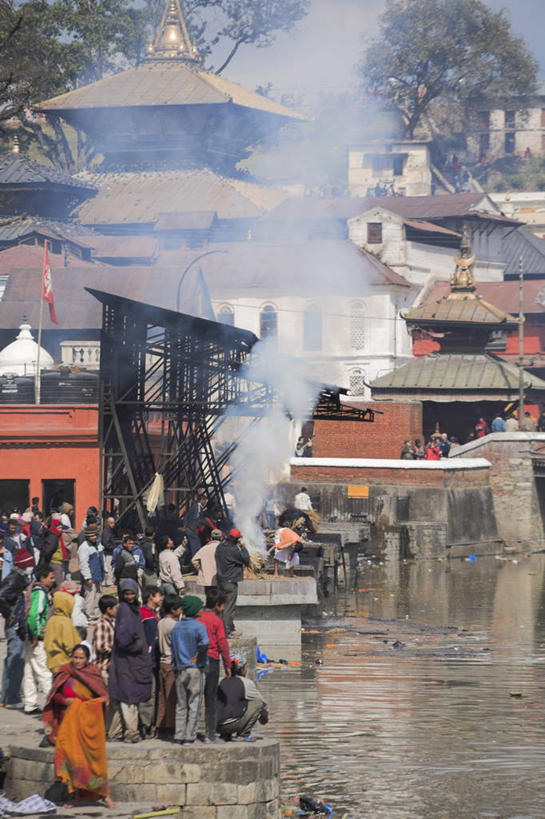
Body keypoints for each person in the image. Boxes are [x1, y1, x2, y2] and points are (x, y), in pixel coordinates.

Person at [42, 644, 115, 808]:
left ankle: (104, 795)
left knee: (95, 761)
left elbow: (103, 694)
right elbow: (54, 696)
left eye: (81, 658)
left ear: (87, 659)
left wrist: (102, 701)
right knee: (73, 761)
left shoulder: (93, 673)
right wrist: (65, 701)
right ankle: (75, 797)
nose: (77, 661)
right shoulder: (64, 672)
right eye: (75, 657)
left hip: (91, 725)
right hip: (69, 723)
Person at [108, 578, 152, 743]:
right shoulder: (126, 610)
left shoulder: (130, 609)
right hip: (127, 662)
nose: (130, 596)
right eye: (126, 593)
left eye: (132, 593)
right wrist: (139, 644)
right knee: (128, 699)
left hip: (127, 661)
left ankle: (115, 733)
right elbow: (124, 638)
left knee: (120, 697)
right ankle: (132, 733)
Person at [170, 594, 209, 745]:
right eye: (200, 607)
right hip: (195, 669)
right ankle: (189, 736)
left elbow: (172, 649)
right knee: (194, 704)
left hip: (179, 669)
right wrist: (199, 658)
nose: (202, 610)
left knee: (181, 704)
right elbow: (205, 644)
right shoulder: (199, 626)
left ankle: (178, 736)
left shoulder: (176, 627)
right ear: (194, 609)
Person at [197, 588, 231, 742]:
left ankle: (190, 733)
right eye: (223, 605)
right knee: (210, 697)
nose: (223, 609)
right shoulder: (216, 621)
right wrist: (228, 665)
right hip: (212, 660)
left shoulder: (197, 618)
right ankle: (210, 734)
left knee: (195, 698)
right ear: (217, 605)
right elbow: (222, 644)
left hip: (196, 661)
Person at [22, 564, 55, 715]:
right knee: (44, 672)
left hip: (29, 637)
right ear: (42, 578)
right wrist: (36, 635)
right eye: (51, 578)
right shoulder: (40, 593)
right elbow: (34, 616)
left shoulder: (33, 590)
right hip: (37, 638)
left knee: (29, 670)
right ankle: (53, 705)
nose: (53, 581)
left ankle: (30, 703)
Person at [216, 654, 268, 742]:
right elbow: (263, 703)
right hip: (230, 725)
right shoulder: (246, 683)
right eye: (246, 667)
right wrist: (264, 717)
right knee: (258, 703)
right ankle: (244, 734)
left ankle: (224, 735)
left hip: (215, 726)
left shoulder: (220, 681)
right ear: (242, 669)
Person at [156, 594, 183, 738]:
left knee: (162, 696)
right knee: (172, 697)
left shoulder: (161, 622)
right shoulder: (174, 625)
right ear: (173, 609)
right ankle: (171, 727)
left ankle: (160, 725)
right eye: (179, 609)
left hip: (162, 662)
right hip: (171, 662)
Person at [215, 529, 250, 638]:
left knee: (221, 607)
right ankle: (227, 632)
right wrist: (242, 547)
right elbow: (246, 560)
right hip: (230, 582)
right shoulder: (234, 550)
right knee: (229, 608)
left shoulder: (220, 547)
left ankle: (220, 631)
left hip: (220, 580)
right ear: (236, 539)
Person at [139, 586, 162, 739]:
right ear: (151, 597)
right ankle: (145, 726)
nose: (161, 599)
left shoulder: (155, 615)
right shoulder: (143, 614)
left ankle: (151, 725)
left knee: (154, 694)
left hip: (156, 660)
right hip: (146, 661)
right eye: (159, 596)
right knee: (148, 695)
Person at [44, 591, 81, 675]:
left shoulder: (52, 620)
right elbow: (70, 645)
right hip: (65, 663)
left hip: (53, 663)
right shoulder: (65, 622)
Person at [78, 525, 105, 622]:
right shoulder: (84, 547)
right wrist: (87, 577)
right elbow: (83, 564)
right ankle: (89, 614)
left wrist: (105, 571)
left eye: (95, 535)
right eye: (92, 536)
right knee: (90, 596)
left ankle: (97, 613)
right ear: (88, 536)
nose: (94, 537)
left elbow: (103, 558)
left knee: (98, 595)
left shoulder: (98, 544)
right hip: (91, 576)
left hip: (99, 574)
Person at [92, 595, 118, 683]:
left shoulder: (112, 623)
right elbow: (100, 646)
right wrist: (116, 649)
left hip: (111, 667)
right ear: (108, 609)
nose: (117, 610)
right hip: (103, 668)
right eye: (115, 608)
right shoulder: (102, 624)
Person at [185, 490, 208, 559]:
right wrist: (197, 529)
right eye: (205, 501)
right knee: (196, 545)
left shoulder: (195, 506)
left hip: (190, 528)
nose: (205, 502)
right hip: (192, 529)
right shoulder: (198, 506)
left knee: (191, 545)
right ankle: (195, 560)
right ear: (202, 500)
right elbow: (196, 518)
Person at [140, 525, 158, 589]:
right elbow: (150, 557)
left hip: (143, 569)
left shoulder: (141, 543)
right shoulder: (151, 544)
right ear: (154, 534)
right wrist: (154, 567)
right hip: (150, 571)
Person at [101, 517, 116, 583]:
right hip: (108, 552)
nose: (113, 525)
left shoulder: (109, 531)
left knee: (109, 567)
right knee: (108, 567)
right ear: (108, 523)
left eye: (113, 523)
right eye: (111, 523)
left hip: (109, 552)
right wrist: (113, 547)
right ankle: (108, 581)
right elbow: (106, 543)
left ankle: (108, 581)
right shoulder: (106, 532)